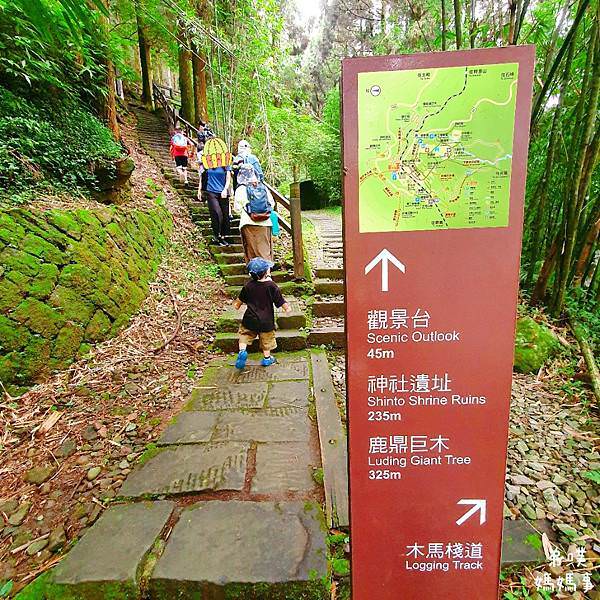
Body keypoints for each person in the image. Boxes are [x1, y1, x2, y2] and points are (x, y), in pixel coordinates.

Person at [233, 257, 291, 369]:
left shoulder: (248, 285)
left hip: (250, 319)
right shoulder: (271, 286)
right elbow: (280, 300)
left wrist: (237, 305)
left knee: (245, 335)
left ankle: (242, 351)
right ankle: (267, 359)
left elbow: (240, 300)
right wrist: (287, 308)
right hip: (266, 321)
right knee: (266, 340)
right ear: (266, 272)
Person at [233, 163, 275, 262]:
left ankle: (256, 274)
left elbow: (237, 208)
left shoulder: (241, 189)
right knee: (265, 248)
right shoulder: (263, 187)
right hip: (266, 222)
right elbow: (271, 204)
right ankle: (267, 273)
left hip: (248, 223)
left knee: (251, 250)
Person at [201, 138, 233, 247]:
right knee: (216, 213)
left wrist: (225, 189)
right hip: (211, 191)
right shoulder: (207, 163)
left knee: (225, 215)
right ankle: (217, 235)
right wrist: (199, 190)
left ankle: (223, 237)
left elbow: (228, 177)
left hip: (223, 192)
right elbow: (202, 176)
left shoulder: (225, 163)